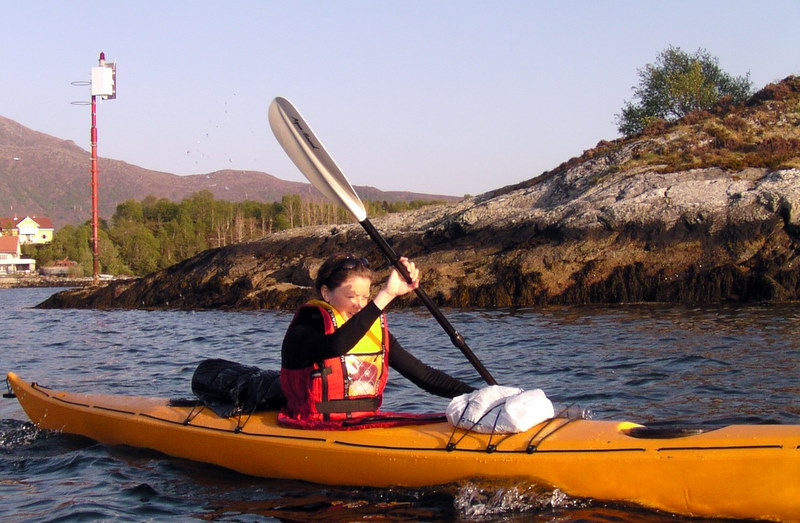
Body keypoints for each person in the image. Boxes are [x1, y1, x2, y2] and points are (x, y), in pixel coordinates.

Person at [280, 253, 475, 429]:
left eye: (366, 297)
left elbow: (424, 376)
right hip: (311, 424)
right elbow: (337, 346)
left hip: (364, 423)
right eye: (351, 296)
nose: (360, 305)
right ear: (326, 293)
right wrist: (387, 295)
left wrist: (476, 395)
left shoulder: (373, 332)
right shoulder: (306, 327)